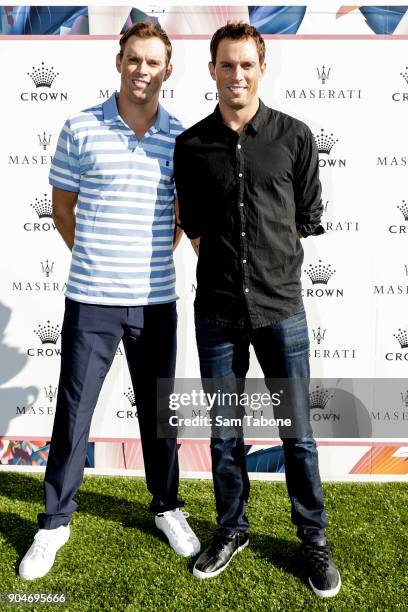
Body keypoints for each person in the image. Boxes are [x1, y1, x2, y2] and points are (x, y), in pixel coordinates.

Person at [19, 21, 200, 581]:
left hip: (155, 301)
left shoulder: (184, 138)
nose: (142, 70)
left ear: (168, 69)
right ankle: (54, 522)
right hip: (90, 299)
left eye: (153, 61)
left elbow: (178, 219)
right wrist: (98, 258)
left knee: (159, 416)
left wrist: (143, 260)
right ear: (118, 61)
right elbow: (62, 209)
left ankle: (167, 507)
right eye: (134, 59)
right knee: (73, 414)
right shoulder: (79, 127)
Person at [174, 22, 341, 598]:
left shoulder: (294, 136)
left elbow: (305, 219)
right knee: (224, 433)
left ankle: (313, 540)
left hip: (282, 312)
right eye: (226, 65)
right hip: (217, 313)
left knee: (298, 434)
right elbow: (194, 227)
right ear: (213, 70)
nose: (236, 74)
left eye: (246, 64)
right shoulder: (190, 145)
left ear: (261, 68)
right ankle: (231, 529)